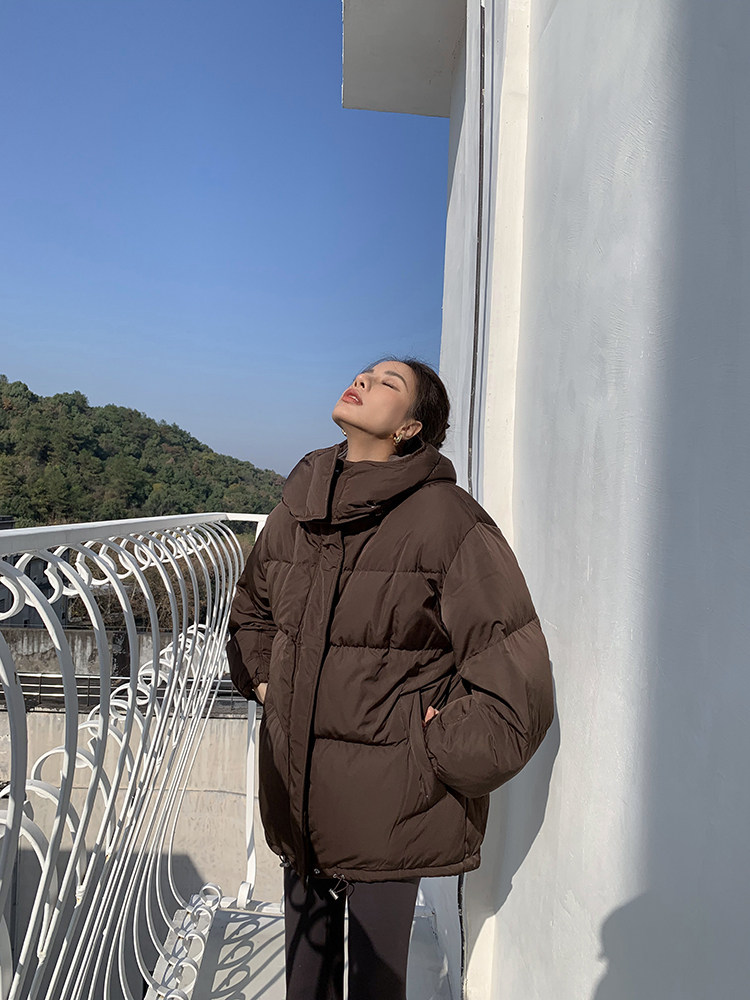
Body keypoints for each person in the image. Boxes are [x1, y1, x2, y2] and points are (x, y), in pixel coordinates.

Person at [227, 358, 554, 1000]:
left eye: (388, 383)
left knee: (379, 982)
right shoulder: (299, 505)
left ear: (410, 428)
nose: (363, 382)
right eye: (365, 373)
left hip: (390, 805)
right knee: (306, 982)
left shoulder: (448, 521)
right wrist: (268, 686)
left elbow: (517, 681)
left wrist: (433, 748)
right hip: (298, 790)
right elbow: (251, 612)